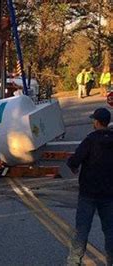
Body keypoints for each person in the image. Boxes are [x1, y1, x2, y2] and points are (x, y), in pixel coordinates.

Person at [66, 108, 113, 266]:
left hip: (88, 193)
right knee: (110, 231)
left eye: (94, 120)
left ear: (97, 122)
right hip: (109, 194)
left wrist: (73, 166)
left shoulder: (90, 140)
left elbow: (75, 159)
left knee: (82, 230)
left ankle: (74, 261)